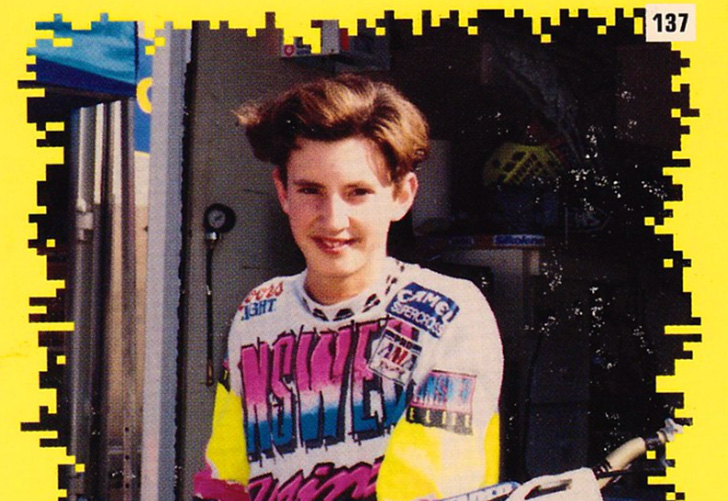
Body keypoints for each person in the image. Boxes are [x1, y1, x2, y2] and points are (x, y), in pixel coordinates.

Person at [193, 74, 503, 501]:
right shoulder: (257, 312)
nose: (333, 219)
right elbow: (226, 476)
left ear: (402, 195)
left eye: (357, 192)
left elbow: (425, 488)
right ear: (282, 192)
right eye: (310, 190)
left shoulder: (450, 313)